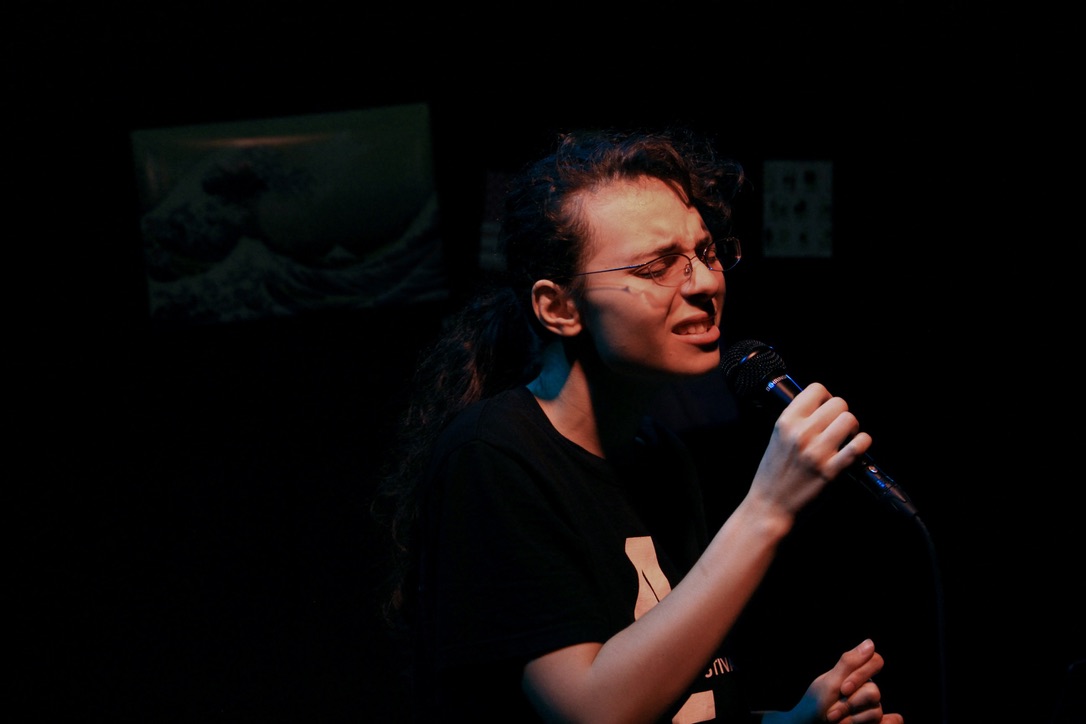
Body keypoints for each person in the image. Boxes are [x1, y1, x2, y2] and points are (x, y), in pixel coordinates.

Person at [371, 126, 904, 723]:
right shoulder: (492, 458)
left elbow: (685, 701)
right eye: (657, 267)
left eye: (707, 253)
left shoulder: (659, 455)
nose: (706, 283)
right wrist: (769, 508)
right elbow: (592, 711)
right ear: (559, 307)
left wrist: (791, 723)